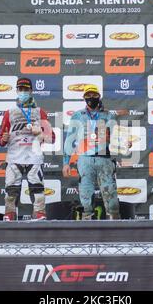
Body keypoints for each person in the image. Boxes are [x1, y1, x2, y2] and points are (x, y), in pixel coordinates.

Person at [0, 77, 54, 221]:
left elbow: (51, 138)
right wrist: (3, 140)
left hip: (34, 157)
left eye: (26, 89)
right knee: (11, 188)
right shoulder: (10, 112)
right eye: (20, 89)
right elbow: (0, 139)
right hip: (14, 157)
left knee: (37, 187)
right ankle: (10, 213)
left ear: (31, 91)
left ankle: (39, 213)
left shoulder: (40, 112)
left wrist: (40, 132)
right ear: (16, 91)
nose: (23, 92)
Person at [62, 84, 120, 220]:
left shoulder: (108, 115)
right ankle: (87, 232)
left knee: (111, 200)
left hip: (104, 160)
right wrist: (66, 163)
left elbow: (116, 137)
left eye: (94, 95)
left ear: (99, 97)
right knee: (85, 199)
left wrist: (124, 143)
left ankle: (116, 231)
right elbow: (69, 140)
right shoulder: (77, 115)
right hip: (85, 160)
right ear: (84, 97)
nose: (91, 97)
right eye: (88, 95)